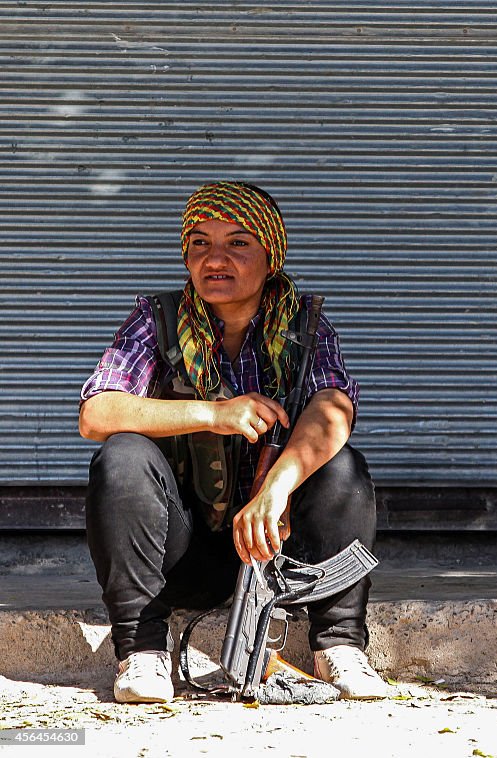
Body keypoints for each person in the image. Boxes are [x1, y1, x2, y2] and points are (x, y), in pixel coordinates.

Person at [79, 181, 390, 703]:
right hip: (183, 552)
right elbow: (96, 412)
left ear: (271, 256)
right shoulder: (156, 321)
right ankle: (141, 649)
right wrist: (214, 413)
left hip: (280, 550)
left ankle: (338, 645)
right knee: (121, 455)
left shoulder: (305, 327)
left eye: (238, 243)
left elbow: (334, 409)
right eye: (199, 243)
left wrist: (276, 489)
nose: (215, 259)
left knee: (344, 466)